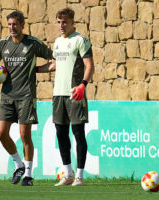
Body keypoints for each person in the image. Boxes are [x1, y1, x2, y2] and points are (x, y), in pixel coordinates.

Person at [0, 11, 52, 186]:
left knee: (24, 136)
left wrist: (37, 70)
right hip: (7, 96)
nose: (12, 28)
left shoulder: (33, 44)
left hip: (26, 96)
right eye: (9, 25)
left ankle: (28, 175)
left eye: (15, 24)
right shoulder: (2, 44)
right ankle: (18, 165)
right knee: (0, 134)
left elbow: (54, 60)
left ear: (22, 24)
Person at [40, 8, 94, 186]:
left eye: (64, 22)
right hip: (58, 94)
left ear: (72, 22)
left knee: (78, 133)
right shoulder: (57, 42)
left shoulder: (80, 40)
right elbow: (54, 64)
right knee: (61, 134)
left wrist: (82, 85)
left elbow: (89, 66)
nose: (61, 25)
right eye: (58, 22)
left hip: (75, 93)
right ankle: (68, 173)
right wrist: (34, 70)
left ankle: (79, 175)